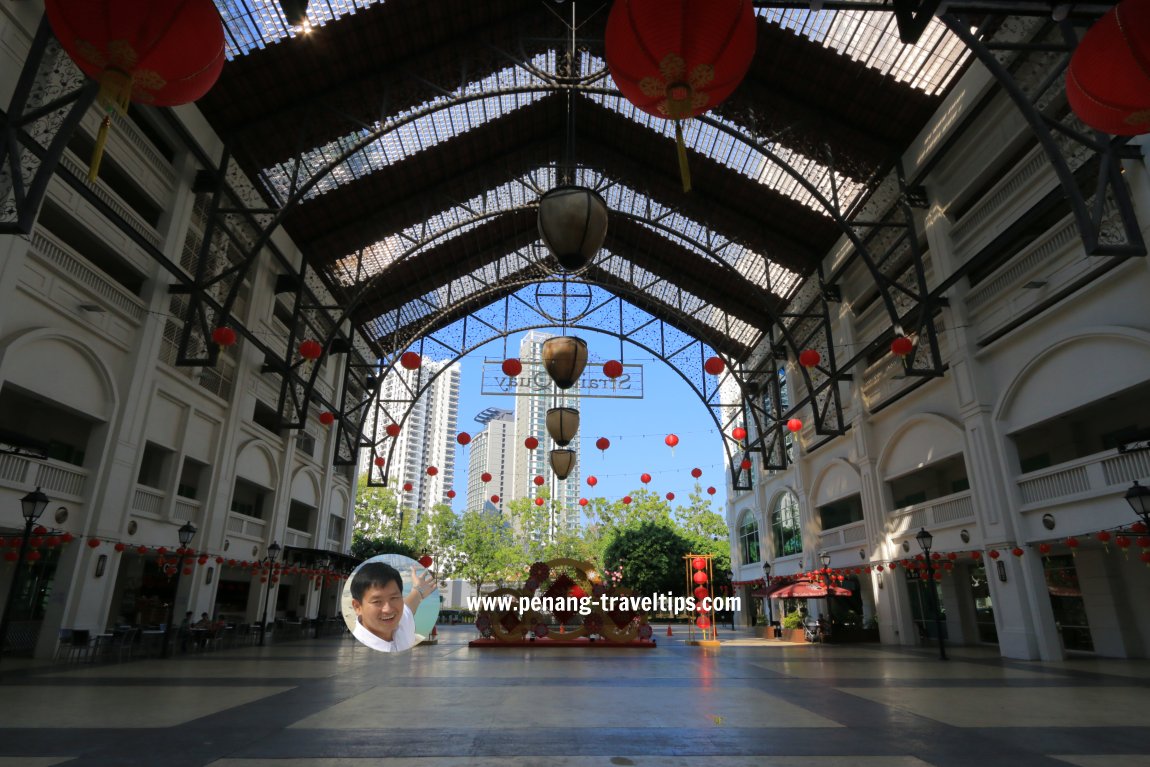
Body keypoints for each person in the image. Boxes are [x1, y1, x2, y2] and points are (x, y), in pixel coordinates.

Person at [350, 561, 435, 653]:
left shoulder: (401, 623)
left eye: (394, 598)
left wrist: (419, 590)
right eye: (377, 601)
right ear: (357, 607)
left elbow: (409, 606)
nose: (388, 609)